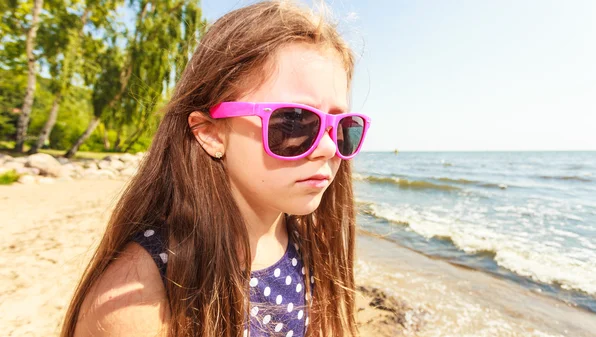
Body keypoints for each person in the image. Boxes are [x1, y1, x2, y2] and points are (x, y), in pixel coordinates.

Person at [60, 1, 371, 336]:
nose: (328, 148)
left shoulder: (312, 240)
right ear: (210, 133)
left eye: (341, 127)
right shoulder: (140, 298)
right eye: (293, 122)